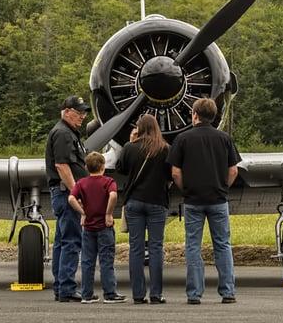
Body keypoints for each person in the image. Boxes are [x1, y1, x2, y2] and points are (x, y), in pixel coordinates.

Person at [166, 98, 241, 305]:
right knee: (223, 245)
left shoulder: (182, 139)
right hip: (218, 200)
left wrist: (186, 189)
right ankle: (228, 292)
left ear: (194, 115)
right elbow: (233, 170)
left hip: (193, 201)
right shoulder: (224, 138)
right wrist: (223, 188)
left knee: (192, 246)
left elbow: (175, 172)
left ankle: (194, 294)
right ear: (214, 115)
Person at [116, 114, 170, 305]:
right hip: (156, 201)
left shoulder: (130, 148)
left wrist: (130, 142)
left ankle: (138, 294)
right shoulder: (164, 149)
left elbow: (120, 168)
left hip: (134, 202)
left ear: (138, 128)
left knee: (136, 248)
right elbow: (170, 174)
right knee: (156, 247)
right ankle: (156, 294)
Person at [45, 95, 90, 302]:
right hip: (66, 193)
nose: (83, 116)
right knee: (71, 241)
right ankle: (67, 289)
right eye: (79, 112)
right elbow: (62, 166)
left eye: (84, 112)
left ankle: (60, 287)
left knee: (62, 242)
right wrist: (76, 194)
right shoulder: (63, 134)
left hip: (63, 193)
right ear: (67, 111)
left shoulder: (67, 132)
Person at [68, 152, 127, 304]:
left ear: (87, 167)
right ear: (103, 166)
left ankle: (87, 294)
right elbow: (113, 196)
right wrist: (108, 213)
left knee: (87, 261)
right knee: (106, 260)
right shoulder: (108, 181)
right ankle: (109, 293)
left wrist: (82, 212)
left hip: (88, 228)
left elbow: (71, 198)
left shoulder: (81, 183)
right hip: (104, 226)